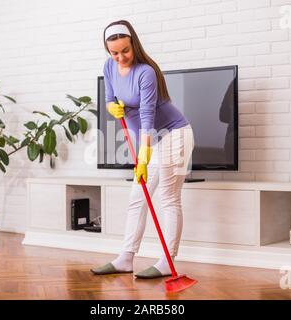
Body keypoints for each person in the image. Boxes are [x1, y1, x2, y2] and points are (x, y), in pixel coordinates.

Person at [91, 20, 195, 279]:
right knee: (137, 197)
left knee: (168, 199)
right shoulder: (109, 66)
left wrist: (143, 157)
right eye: (114, 52)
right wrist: (111, 108)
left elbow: (147, 116)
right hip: (150, 140)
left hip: (174, 135)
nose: (120, 57)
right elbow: (109, 100)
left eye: (125, 50)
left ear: (134, 45)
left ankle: (166, 262)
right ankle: (126, 258)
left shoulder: (146, 72)